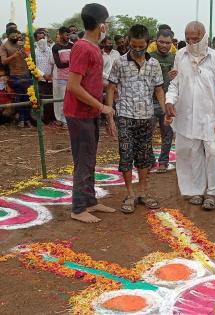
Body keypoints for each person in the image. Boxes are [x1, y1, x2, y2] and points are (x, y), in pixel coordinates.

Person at [165, 21, 215, 210]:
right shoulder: (180, 56)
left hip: (209, 117)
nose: (191, 42)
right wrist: (169, 101)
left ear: (204, 36)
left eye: (195, 39)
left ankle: (212, 193)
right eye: (187, 38)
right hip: (186, 116)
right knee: (190, 153)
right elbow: (175, 84)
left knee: (212, 153)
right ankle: (196, 190)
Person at [63, 3, 116, 223]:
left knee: (90, 158)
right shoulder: (83, 48)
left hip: (90, 112)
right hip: (79, 113)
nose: (109, 26)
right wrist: (102, 106)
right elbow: (73, 86)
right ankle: (78, 208)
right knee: (83, 160)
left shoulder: (94, 48)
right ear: (101, 25)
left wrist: (109, 89)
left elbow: (90, 80)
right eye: (107, 22)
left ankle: (90, 200)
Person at [106, 24, 165, 213]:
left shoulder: (154, 64)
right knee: (126, 154)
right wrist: (109, 115)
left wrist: (164, 111)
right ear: (128, 42)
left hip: (147, 117)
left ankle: (143, 193)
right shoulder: (119, 63)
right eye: (134, 45)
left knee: (144, 156)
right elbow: (111, 88)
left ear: (148, 43)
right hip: (124, 115)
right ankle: (130, 194)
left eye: (142, 46)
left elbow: (158, 89)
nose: (138, 49)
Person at [150, 29, 176, 173]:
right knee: (148, 133)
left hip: (168, 102)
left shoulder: (176, 58)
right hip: (150, 101)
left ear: (172, 43)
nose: (164, 45)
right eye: (161, 42)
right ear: (156, 41)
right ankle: (150, 161)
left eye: (168, 42)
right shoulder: (149, 57)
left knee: (167, 134)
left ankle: (163, 162)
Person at [0, 27, 32, 127]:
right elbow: (4, 61)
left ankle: (27, 119)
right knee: (20, 97)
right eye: (13, 35)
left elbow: (29, 59)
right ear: (7, 35)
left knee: (29, 97)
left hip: (26, 74)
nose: (15, 36)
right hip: (15, 76)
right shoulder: (4, 46)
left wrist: (27, 53)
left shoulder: (21, 44)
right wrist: (15, 55)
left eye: (16, 34)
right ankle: (21, 119)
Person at [52, 26, 73, 128]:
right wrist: (71, 62)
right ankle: (63, 120)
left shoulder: (72, 45)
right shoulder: (56, 47)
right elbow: (59, 64)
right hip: (62, 77)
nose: (68, 36)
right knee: (63, 99)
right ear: (60, 34)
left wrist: (69, 62)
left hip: (73, 76)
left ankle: (70, 119)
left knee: (72, 99)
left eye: (69, 35)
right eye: (66, 35)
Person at [34, 31, 55, 124]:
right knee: (40, 101)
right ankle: (39, 121)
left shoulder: (50, 49)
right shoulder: (33, 52)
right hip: (40, 80)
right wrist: (43, 75)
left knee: (51, 101)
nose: (42, 40)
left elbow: (54, 63)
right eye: (39, 38)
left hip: (52, 80)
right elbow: (33, 66)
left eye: (43, 37)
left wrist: (52, 75)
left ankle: (49, 119)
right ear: (35, 39)